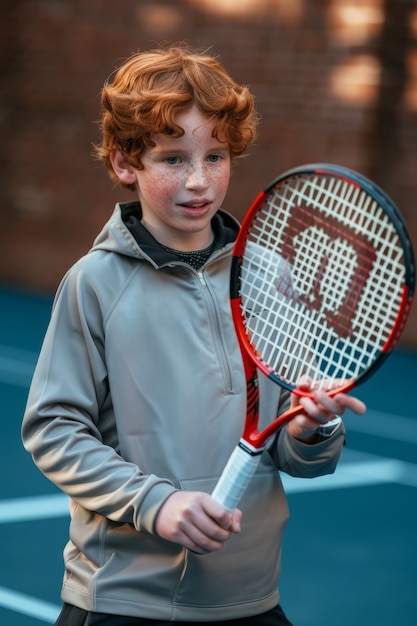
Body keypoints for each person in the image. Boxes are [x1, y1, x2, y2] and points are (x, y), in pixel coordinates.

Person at [21, 45, 366, 626]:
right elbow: (53, 431)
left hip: (250, 600)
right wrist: (156, 504)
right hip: (124, 601)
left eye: (216, 156)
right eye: (174, 159)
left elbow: (291, 451)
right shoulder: (95, 283)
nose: (200, 181)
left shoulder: (270, 280)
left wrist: (312, 429)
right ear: (126, 164)